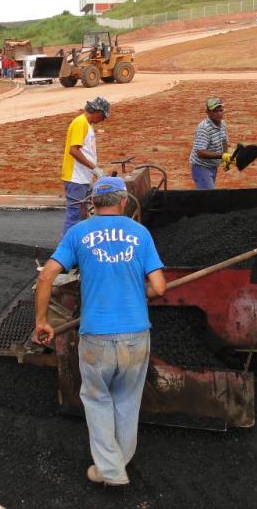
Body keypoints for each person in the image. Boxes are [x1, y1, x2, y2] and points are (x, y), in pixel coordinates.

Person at [33, 176, 167, 486]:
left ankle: (110, 469)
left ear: (92, 203)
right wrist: (138, 293)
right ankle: (119, 463)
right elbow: (159, 287)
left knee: (97, 400)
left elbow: (46, 277)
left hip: (96, 336)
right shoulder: (140, 233)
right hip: (136, 334)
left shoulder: (78, 233)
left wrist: (42, 321)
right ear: (124, 201)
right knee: (127, 400)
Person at [60, 97, 110, 236]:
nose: (103, 120)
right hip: (76, 178)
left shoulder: (87, 125)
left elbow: (85, 151)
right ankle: (65, 248)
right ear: (97, 112)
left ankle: (78, 244)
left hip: (83, 178)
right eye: (103, 116)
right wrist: (94, 168)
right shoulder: (80, 123)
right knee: (74, 216)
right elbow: (73, 150)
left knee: (82, 215)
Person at [189, 97, 230, 189]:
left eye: (220, 110)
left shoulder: (222, 124)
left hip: (212, 166)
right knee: (209, 195)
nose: (219, 113)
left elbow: (224, 141)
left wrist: (226, 160)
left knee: (207, 194)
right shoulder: (204, 128)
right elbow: (200, 152)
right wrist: (222, 155)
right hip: (201, 167)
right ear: (207, 112)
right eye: (215, 111)